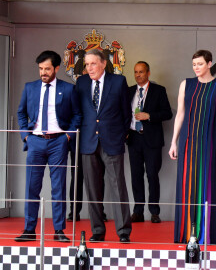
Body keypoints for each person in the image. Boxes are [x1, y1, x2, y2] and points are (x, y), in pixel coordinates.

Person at [15, 50, 82, 243]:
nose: (43, 72)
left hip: (58, 142)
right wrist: (26, 136)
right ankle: (29, 229)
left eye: (47, 69)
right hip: (35, 142)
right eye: (41, 69)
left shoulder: (68, 89)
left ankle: (59, 230)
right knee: (31, 187)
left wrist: (68, 136)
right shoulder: (30, 88)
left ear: (56, 68)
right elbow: (21, 113)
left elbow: (77, 115)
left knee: (58, 188)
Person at [169, 50, 216, 244]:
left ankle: (205, 235)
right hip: (187, 142)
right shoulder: (186, 84)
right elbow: (180, 114)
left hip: (208, 143)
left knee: (206, 186)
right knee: (186, 187)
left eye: (200, 64)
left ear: (210, 64)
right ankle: (185, 234)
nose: (196, 68)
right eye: (194, 64)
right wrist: (173, 142)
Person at [76, 48, 132, 243]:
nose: (89, 68)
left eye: (92, 63)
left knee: (118, 187)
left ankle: (123, 232)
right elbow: (79, 112)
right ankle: (97, 230)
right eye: (87, 64)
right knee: (92, 189)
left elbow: (126, 113)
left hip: (112, 141)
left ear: (102, 63)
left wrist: (120, 135)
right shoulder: (81, 82)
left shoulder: (118, 81)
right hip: (88, 142)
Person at [128, 61, 173, 224]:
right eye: (135, 72)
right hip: (133, 138)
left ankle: (154, 212)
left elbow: (168, 113)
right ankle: (138, 211)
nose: (138, 75)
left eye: (141, 72)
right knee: (136, 176)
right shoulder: (129, 91)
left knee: (152, 175)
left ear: (148, 73)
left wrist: (149, 116)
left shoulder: (159, 91)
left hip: (152, 140)